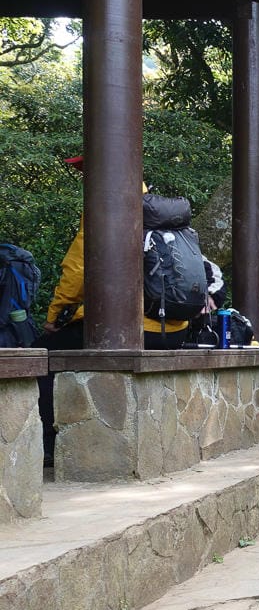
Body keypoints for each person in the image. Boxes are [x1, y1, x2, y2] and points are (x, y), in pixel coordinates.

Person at [36, 155, 189, 464]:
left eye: (87, 170)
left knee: (42, 356)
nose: (84, 178)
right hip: (173, 328)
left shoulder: (105, 206)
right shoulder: (157, 213)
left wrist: (54, 316)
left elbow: (78, 271)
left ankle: (47, 446)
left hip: (134, 329)